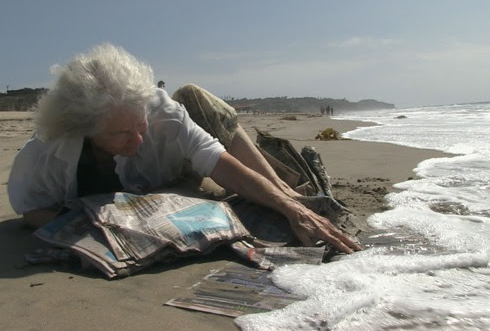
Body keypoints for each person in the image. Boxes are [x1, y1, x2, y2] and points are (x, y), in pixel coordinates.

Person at [8, 43, 360, 254]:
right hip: (163, 195)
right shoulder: (44, 156)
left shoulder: (161, 111)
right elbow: (32, 209)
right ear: (84, 131)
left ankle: (283, 186)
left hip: (184, 171)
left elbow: (214, 157)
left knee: (194, 100)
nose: (139, 139)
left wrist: (288, 207)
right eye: (122, 134)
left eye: (140, 124)